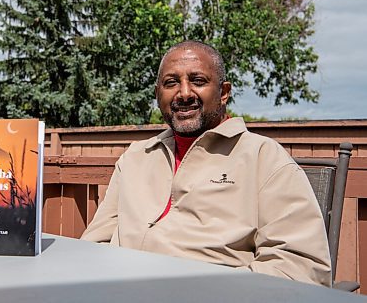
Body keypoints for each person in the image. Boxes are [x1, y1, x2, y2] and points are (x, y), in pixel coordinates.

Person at [81, 40, 332, 287]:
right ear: (158, 95)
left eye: (198, 81)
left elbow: (301, 270)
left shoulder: (263, 158)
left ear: (223, 92)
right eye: (171, 83)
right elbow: (93, 245)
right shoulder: (135, 158)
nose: (185, 93)